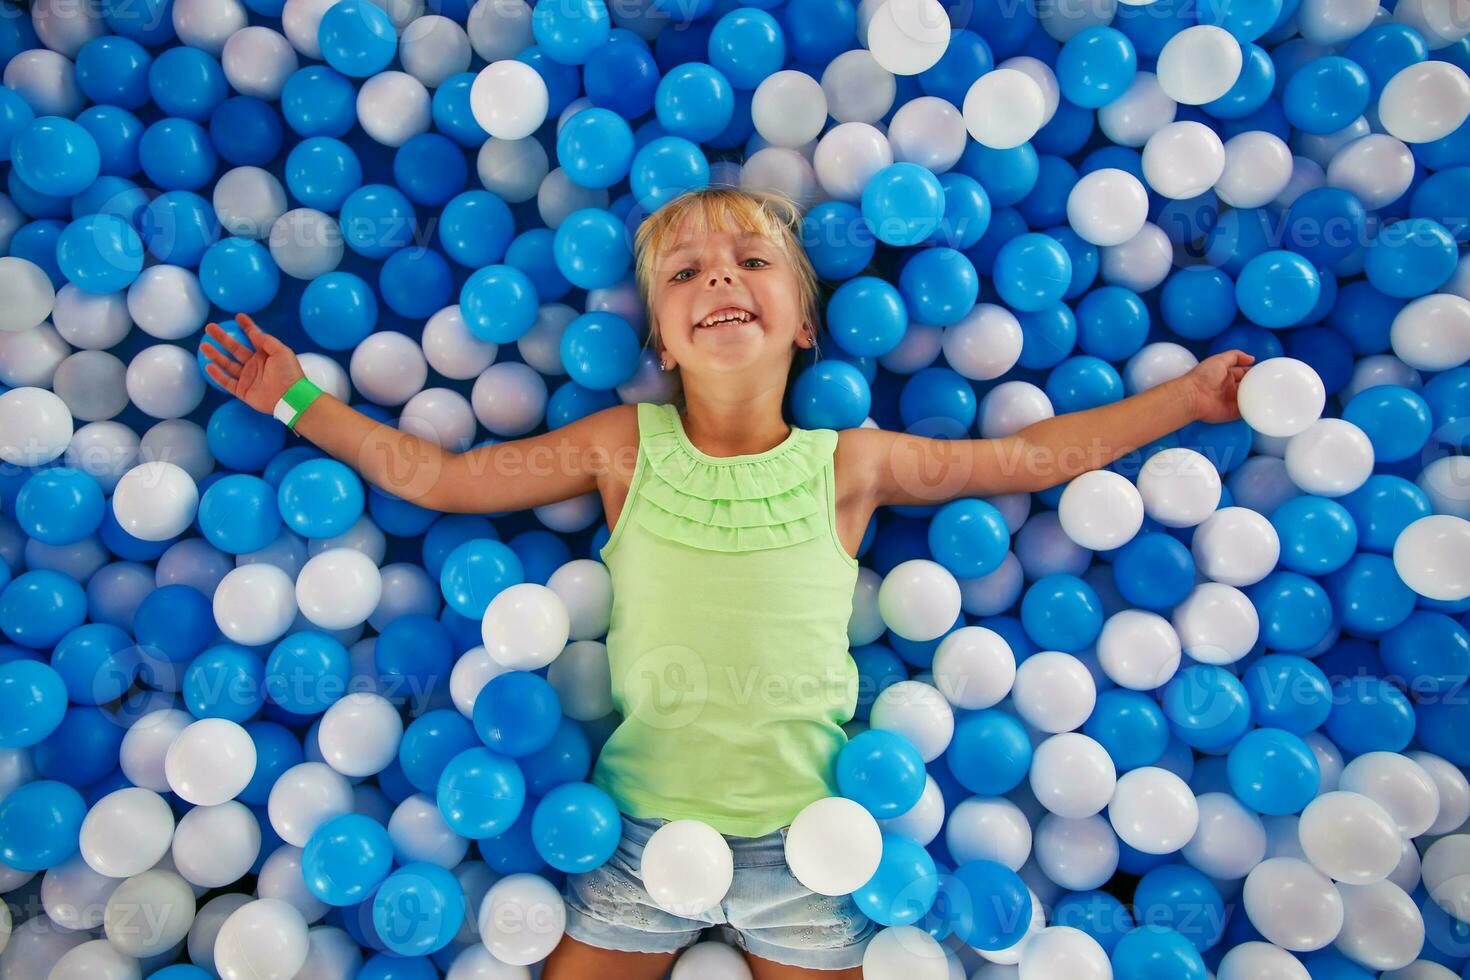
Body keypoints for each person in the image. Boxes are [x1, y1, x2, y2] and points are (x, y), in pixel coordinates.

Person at [202, 186, 1253, 978]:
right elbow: (437, 477)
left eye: (752, 259)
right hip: (629, 837)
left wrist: (1184, 401)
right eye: (684, 272)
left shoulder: (852, 460)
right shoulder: (626, 445)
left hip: (812, 846)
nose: (718, 277)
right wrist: (293, 395)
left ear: (802, 322)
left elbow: (1029, 458)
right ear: (660, 340)